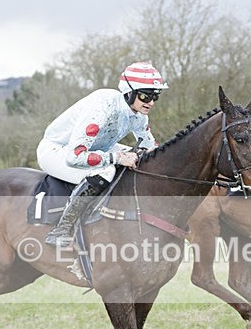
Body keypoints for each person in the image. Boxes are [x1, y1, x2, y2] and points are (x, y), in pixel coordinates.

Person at [38, 61, 168, 247]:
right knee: (106, 171)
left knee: (143, 159)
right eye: (145, 96)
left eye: (156, 96)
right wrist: (118, 158)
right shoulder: (102, 108)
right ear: (129, 92)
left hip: (97, 148)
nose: (151, 102)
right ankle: (62, 229)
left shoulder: (139, 114)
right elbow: (75, 156)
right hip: (58, 150)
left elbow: (150, 147)